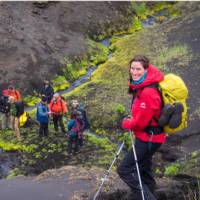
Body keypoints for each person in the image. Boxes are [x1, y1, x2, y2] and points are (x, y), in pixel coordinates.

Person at [118, 55, 166, 200]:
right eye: (132, 68)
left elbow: (140, 123)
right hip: (154, 136)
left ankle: (147, 197)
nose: (134, 72)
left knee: (124, 169)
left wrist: (126, 123)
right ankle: (150, 192)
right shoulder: (145, 85)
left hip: (148, 138)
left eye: (138, 69)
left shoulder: (147, 92)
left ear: (146, 70)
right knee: (143, 167)